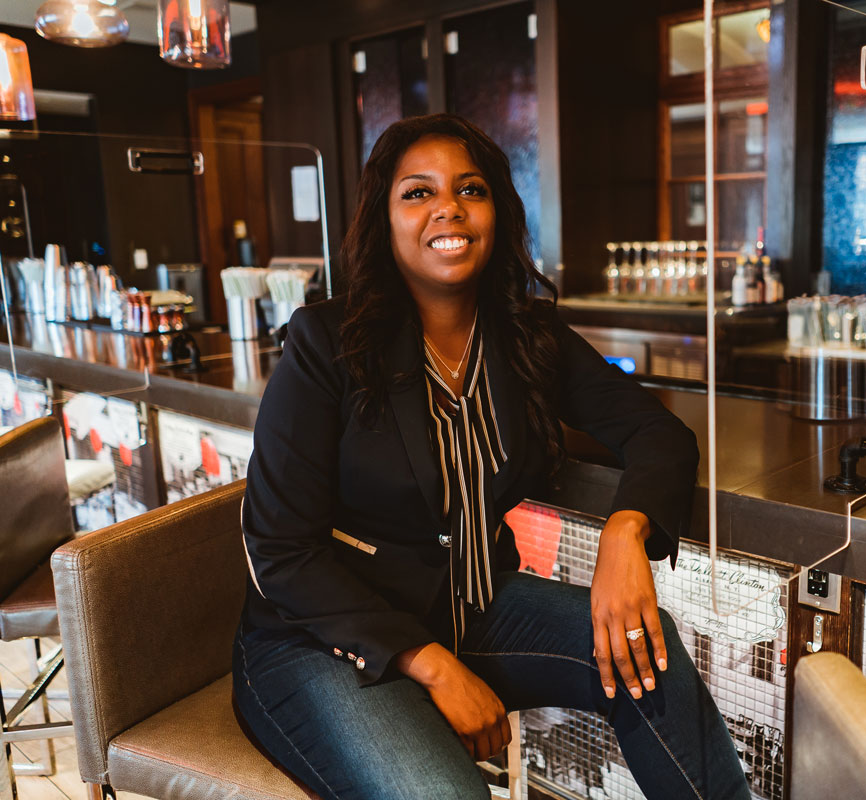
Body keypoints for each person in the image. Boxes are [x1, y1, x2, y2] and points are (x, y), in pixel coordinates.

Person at [233, 113, 749, 800]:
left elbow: (659, 434)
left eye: (469, 189)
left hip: (469, 607)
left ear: (495, 212)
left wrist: (625, 533)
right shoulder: (326, 342)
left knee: (649, 653)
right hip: (324, 643)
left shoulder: (528, 338)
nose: (448, 206)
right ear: (384, 221)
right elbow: (280, 549)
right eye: (418, 193)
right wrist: (435, 667)